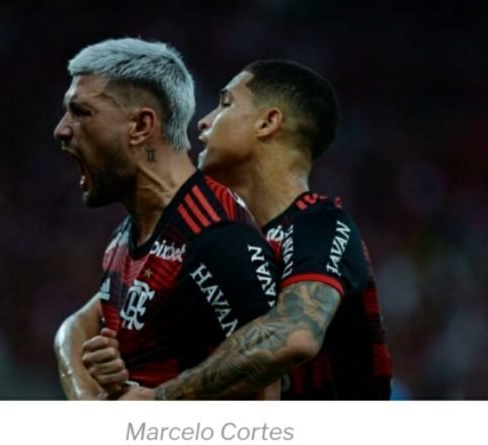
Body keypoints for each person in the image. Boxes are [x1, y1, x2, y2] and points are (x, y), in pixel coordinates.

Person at [88, 60, 392, 400]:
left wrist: (160, 400)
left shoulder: (319, 226)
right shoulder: (211, 237)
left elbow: (295, 336)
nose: (203, 121)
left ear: (267, 122)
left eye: (225, 104)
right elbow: (79, 326)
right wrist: (113, 371)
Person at [51, 38, 279, 400]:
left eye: (81, 112)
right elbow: (75, 329)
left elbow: (265, 393)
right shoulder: (127, 236)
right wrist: (96, 395)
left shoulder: (217, 237)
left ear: (141, 126)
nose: (61, 129)